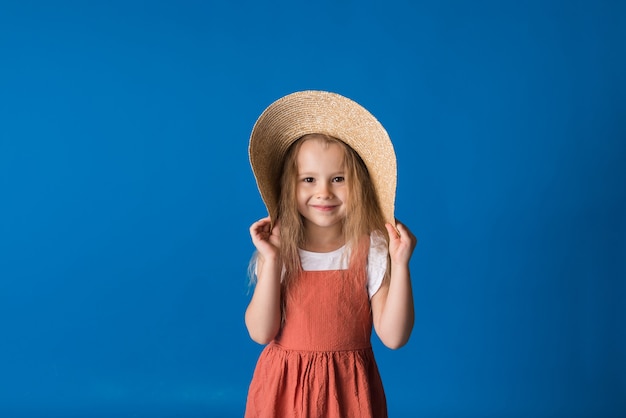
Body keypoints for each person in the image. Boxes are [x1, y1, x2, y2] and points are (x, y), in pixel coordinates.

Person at [244, 90, 416, 417]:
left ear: (359, 185)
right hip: (284, 392)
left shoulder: (372, 248)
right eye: (308, 179)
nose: (324, 192)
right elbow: (260, 332)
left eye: (338, 179)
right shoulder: (280, 249)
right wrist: (271, 259)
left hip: (349, 394)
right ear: (288, 188)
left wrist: (401, 263)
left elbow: (394, 337)